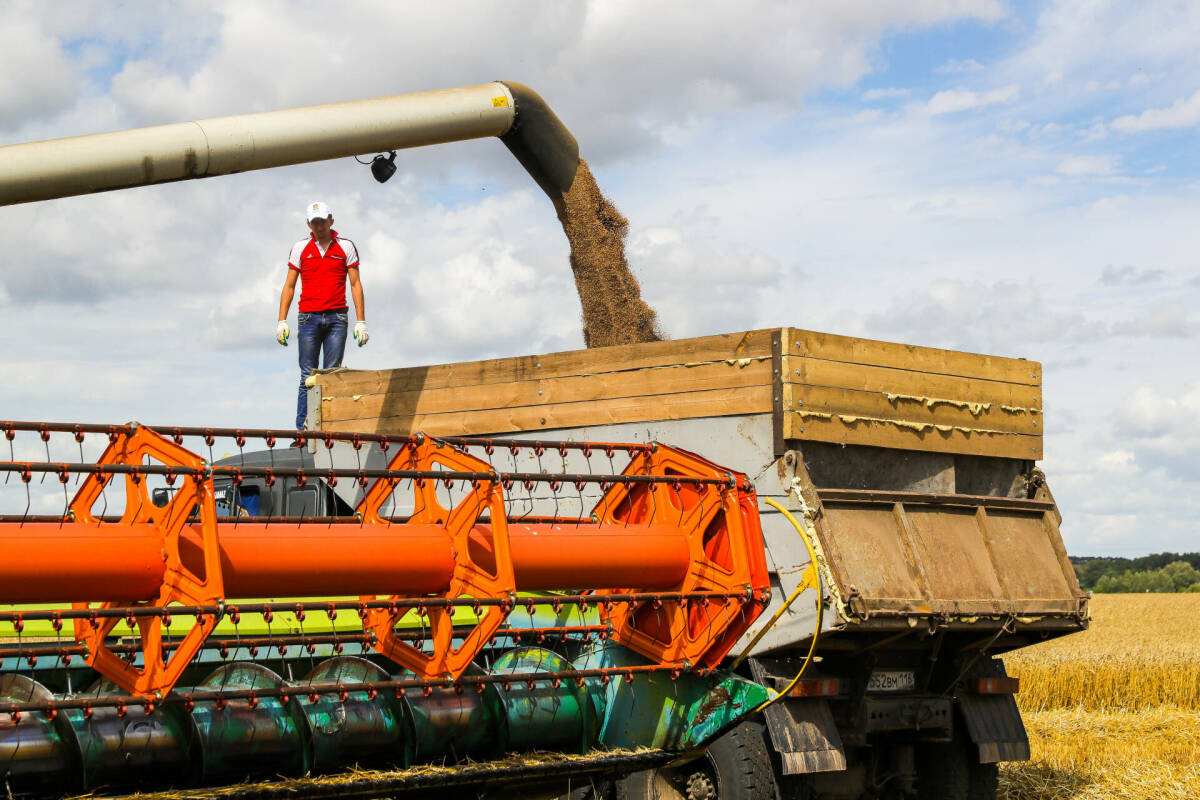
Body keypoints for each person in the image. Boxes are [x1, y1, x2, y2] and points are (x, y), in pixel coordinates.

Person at [276, 201, 368, 430]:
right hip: (309, 317)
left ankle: (328, 430)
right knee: (307, 376)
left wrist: (361, 321)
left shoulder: (345, 246)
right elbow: (289, 285)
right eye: (315, 222)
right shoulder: (300, 248)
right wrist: (281, 321)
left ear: (331, 221)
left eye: (323, 221)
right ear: (309, 223)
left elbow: (355, 284)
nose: (319, 226)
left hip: (337, 317)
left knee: (331, 375)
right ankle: (303, 431)